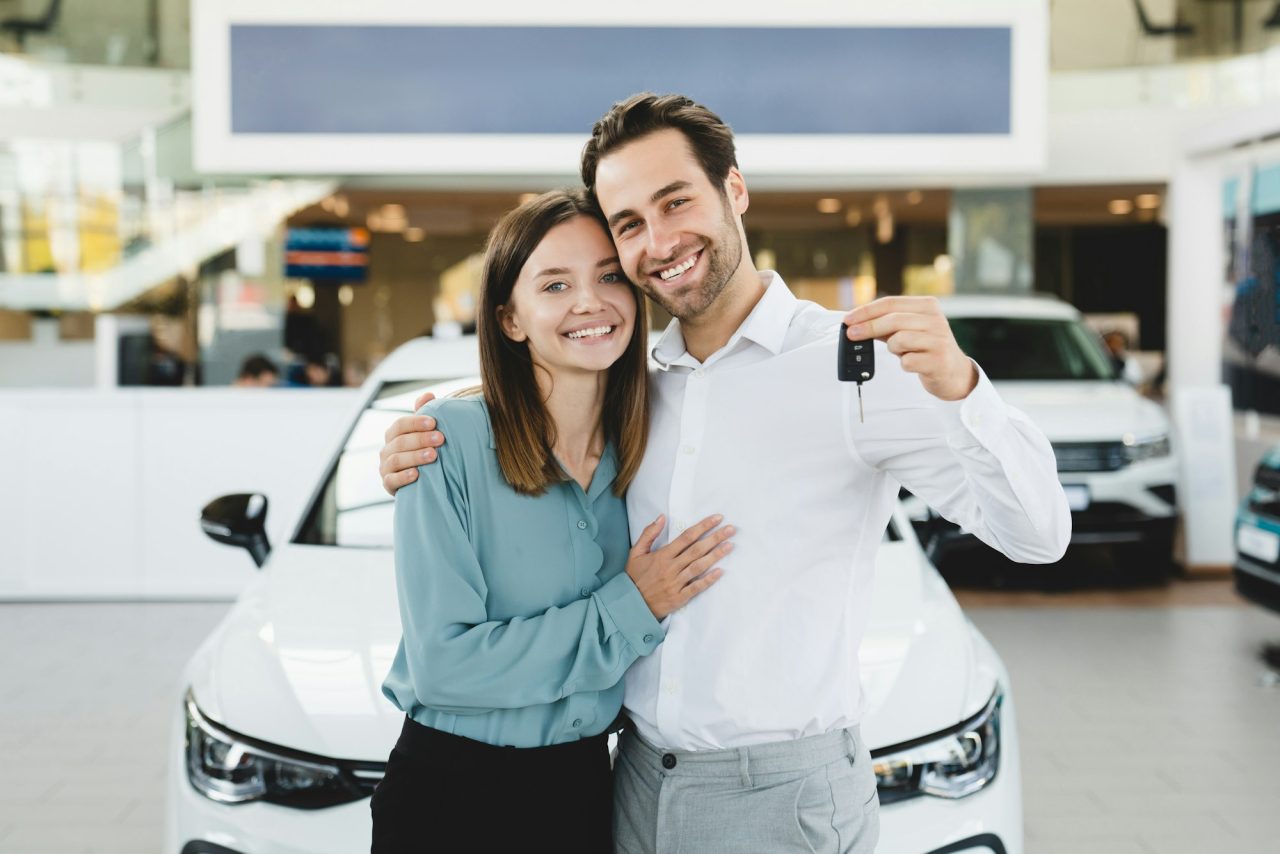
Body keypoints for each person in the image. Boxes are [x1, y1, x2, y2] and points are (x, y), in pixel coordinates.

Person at [379, 94, 1070, 853]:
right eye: (630, 224)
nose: (660, 241)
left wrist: (964, 388)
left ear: (733, 190)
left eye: (676, 202)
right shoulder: (635, 386)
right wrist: (446, 426)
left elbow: (1037, 535)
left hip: (779, 798)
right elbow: (542, 408)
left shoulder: (853, 365)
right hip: (628, 787)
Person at [370, 189, 733, 852]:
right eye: (556, 283)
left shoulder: (654, 446)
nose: (589, 302)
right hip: (450, 798)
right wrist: (631, 606)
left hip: (585, 791)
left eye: (609, 277)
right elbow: (445, 667)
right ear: (510, 318)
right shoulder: (444, 443)